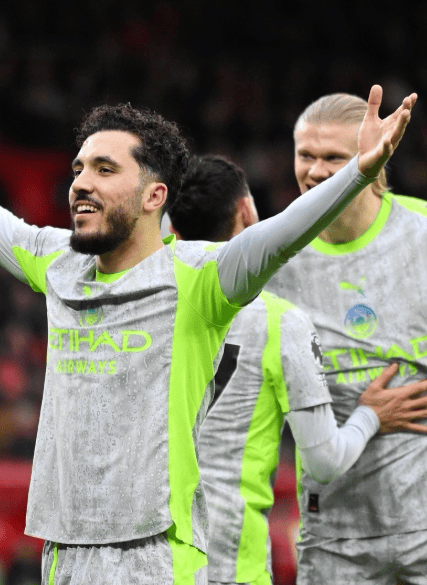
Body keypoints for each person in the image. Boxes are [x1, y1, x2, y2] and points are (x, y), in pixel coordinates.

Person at [0, 60, 416, 585]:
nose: (81, 184)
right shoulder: (58, 263)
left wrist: (358, 172)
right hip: (64, 552)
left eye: (105, 170)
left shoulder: (201, 280)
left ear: (154, 196)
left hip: (155, 556)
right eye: (78, 169)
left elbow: (279, 236)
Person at [167, 154, 427, 585]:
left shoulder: (145, 299)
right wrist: (370, 415)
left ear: (172, 228)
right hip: (228, 562)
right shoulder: (278, 318)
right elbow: (324, 461)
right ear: (248, 213)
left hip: (151, 560)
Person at [261, 92, 427, 584]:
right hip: (334, 537)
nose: (315, 172)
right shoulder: (273, 256)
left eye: (334, 157)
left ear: (375, 157)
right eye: (305, 155)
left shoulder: (420, 233)